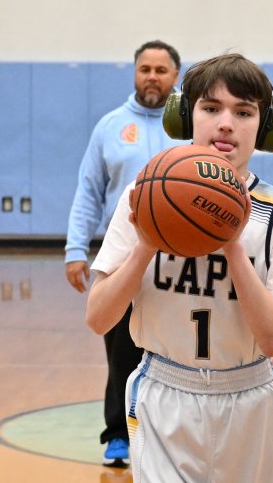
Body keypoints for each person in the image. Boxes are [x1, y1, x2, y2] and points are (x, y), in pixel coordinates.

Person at [85, 53, 273, 482]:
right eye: (211, 108)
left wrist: (233, 247)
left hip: (250, 396)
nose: (226, 124)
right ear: (184, 117)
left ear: (266, 128)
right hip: (164, 392)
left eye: (243, 112)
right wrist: (146, 245)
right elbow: (99, 318)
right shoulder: (143, 196)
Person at [64, 39, 183, 467]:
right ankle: (117, 433)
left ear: (176, 76)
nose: (152, 77)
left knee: (174, 344)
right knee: (120, 349)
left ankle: (169, 431)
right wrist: (76, 248)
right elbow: (89, 191)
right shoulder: (110, 126)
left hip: (180, 255)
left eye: (161, 70)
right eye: (145, 69)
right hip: (122, 253)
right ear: (135, 73)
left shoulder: (190, 127)